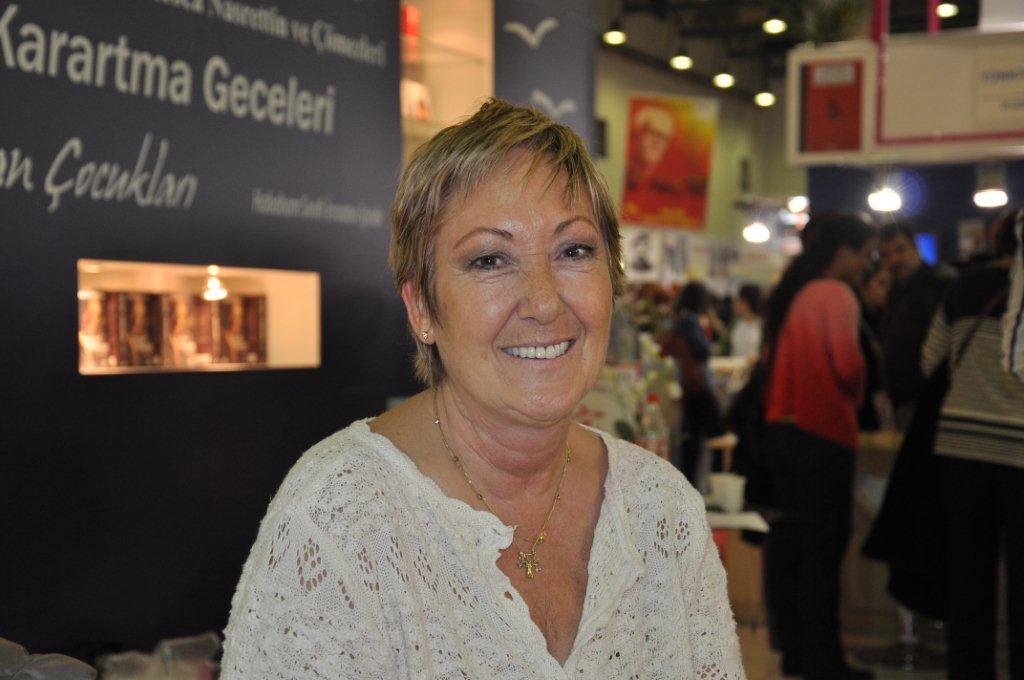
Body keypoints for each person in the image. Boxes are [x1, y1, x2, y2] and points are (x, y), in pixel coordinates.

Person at [220, 100, 745, 678]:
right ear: (422, 308)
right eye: (490, 260)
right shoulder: (341, 521)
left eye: (573, 251)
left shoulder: (661, 512)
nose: (544, 303)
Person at [761, 211, 877, 680]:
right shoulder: (835, 294)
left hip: (785, 433)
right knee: (823, 555)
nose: (867, 264)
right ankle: (825, 662)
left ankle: (797, 653)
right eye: (865, 253)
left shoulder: (797, 292)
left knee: (794, 549)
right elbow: (847, 366)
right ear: (844, 252)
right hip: (824, 433)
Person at [920, 210, 1024, 680]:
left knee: (968, 580)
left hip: (961, 451)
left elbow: (929, 360)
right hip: (1020, 454)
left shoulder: (963, 288)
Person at [877, 222, 955, 425]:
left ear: (915, 247)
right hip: (903, 396)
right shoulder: (895, 290)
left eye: (900, 249)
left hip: (930, 397)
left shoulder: (941, 283)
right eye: (885, 255)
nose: (894, 259)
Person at [660, 281, 726, 485]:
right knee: (716, 436)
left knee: (692, 442)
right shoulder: (690, 321)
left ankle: (693, 486)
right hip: (698, 388)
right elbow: (703, 351)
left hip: (687, 387)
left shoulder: (678, 320)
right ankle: (715, 484)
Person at [730, 283, 763, 362]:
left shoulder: (762, 325)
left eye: (738, 300)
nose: (735, 303)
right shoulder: (736, 324)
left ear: (746, 302)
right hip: (735, 366)